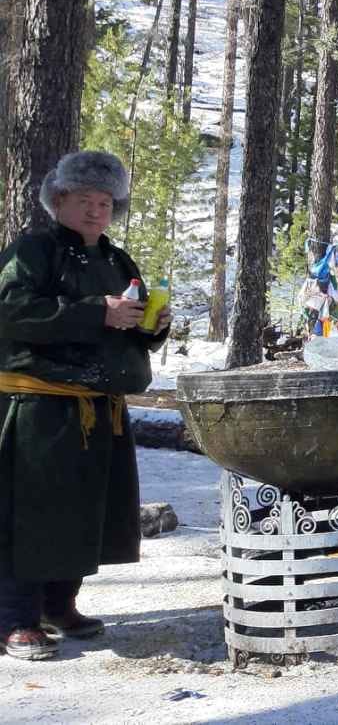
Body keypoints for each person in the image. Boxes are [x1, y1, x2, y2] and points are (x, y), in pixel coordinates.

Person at [0, 151, 169, 661]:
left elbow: (127, 324)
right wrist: (99, 312)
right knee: (31, 513)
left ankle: (59, 604)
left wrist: (151, 328)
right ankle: (14, 618)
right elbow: (10, 310)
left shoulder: (117, 260)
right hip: (41, 408)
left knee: (82, 513)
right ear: (58, 200)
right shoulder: (33, 250)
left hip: (99, 408)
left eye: (104, 202)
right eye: (83, 201)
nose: (95, 211)